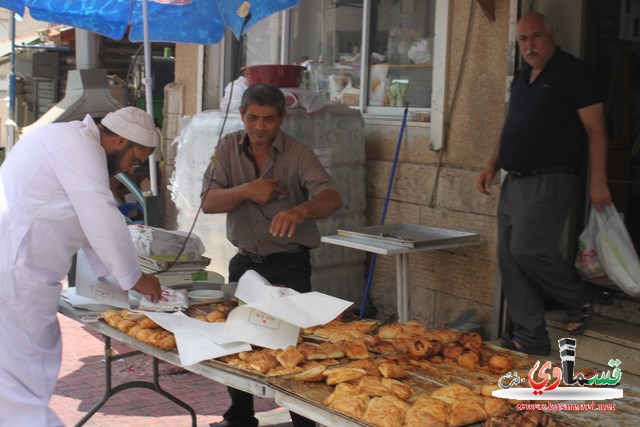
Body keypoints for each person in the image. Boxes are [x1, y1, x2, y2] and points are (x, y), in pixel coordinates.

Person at [0, 106, 162, 426]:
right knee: (24, 375)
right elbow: (99, 214)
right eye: (136, 158)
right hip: (17, 272)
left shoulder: (69, 140)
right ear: (118, 140)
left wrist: (120, 278)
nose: (134, 167)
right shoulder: (79, 146)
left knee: (30, 365)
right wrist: (135, 277)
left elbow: (89, 222)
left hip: (23, 270)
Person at [201, 83, 343, 427]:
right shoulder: (227, 147)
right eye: (253, 117)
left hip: (288, 263)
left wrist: (302, 211)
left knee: (291, 347)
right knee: (239, 341)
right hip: (245, 262)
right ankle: (240, 418)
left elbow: (332, 197)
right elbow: (208, 202)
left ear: (281, 118)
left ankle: (304, 422)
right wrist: (248, 190)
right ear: (241, 115)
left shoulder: (298, 154)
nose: (259, 126)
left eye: (268, 119)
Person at [475, 12, 612, 356]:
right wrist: (491, 164)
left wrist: (599, 181)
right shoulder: (523, 77)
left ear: (551, 35)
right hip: (515, 181)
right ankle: (530, 335)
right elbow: (511, 126)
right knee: (509, 257)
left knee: (527, 248)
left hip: (552, 178)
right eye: (523, 40)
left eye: (536, 37)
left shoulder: (573, 73)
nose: (530, 46)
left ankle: (579, 298)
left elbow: (597, 130)